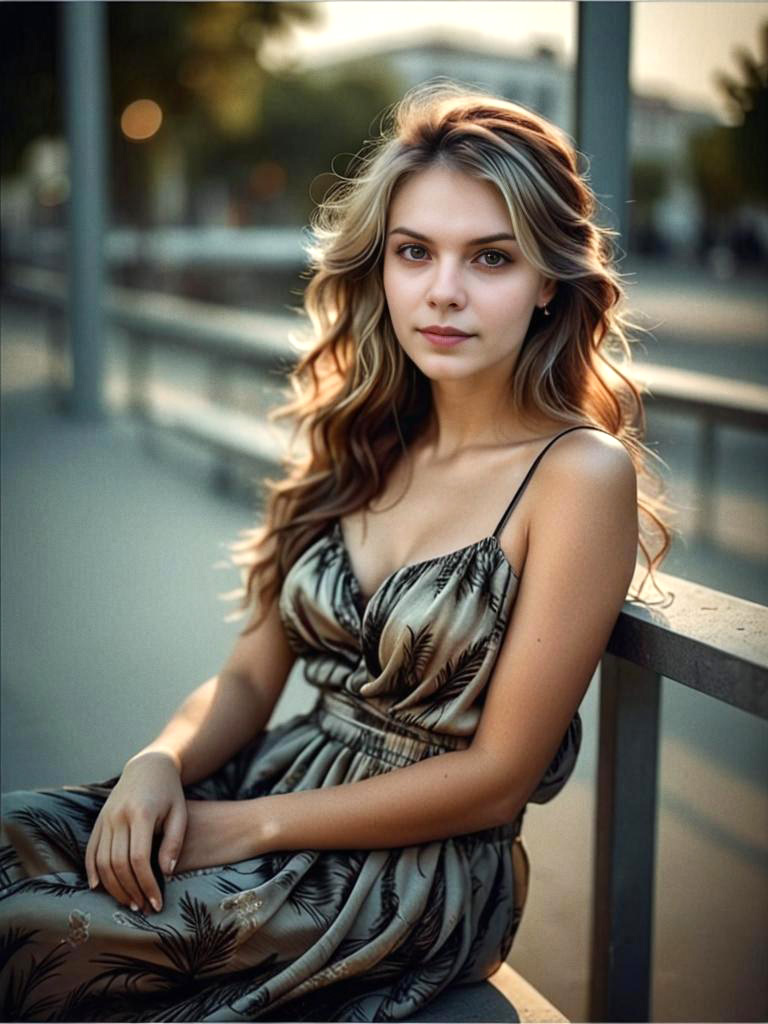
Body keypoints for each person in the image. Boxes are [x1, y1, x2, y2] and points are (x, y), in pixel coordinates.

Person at [1, 81, 671, 1022]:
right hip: (266, 785)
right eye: (414, 252)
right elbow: (246, 679)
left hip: (408, 872)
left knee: (38, 938)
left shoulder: (576, 473)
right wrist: (159, 760)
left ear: (550, 281)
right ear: (382, 267)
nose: (444, 290)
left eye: (491, 257)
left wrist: (238, 829)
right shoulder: (365, 440)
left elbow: (498, 777)